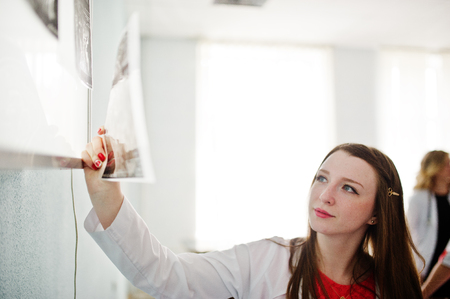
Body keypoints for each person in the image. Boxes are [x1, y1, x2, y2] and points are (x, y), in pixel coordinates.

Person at [82, 130, 423, 299]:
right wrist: (105, 193)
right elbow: (167, 275)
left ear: (377, 213)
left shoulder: (390, 287)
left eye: (348, 188)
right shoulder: (266, 261)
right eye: (322, 178)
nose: (325, 195)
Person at [407, 150, 450, 298]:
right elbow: (411, 238)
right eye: (447, 164)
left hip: (447, 262)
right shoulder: (418, 199)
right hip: (428, 264)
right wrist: (416, 269)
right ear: (435, 168)